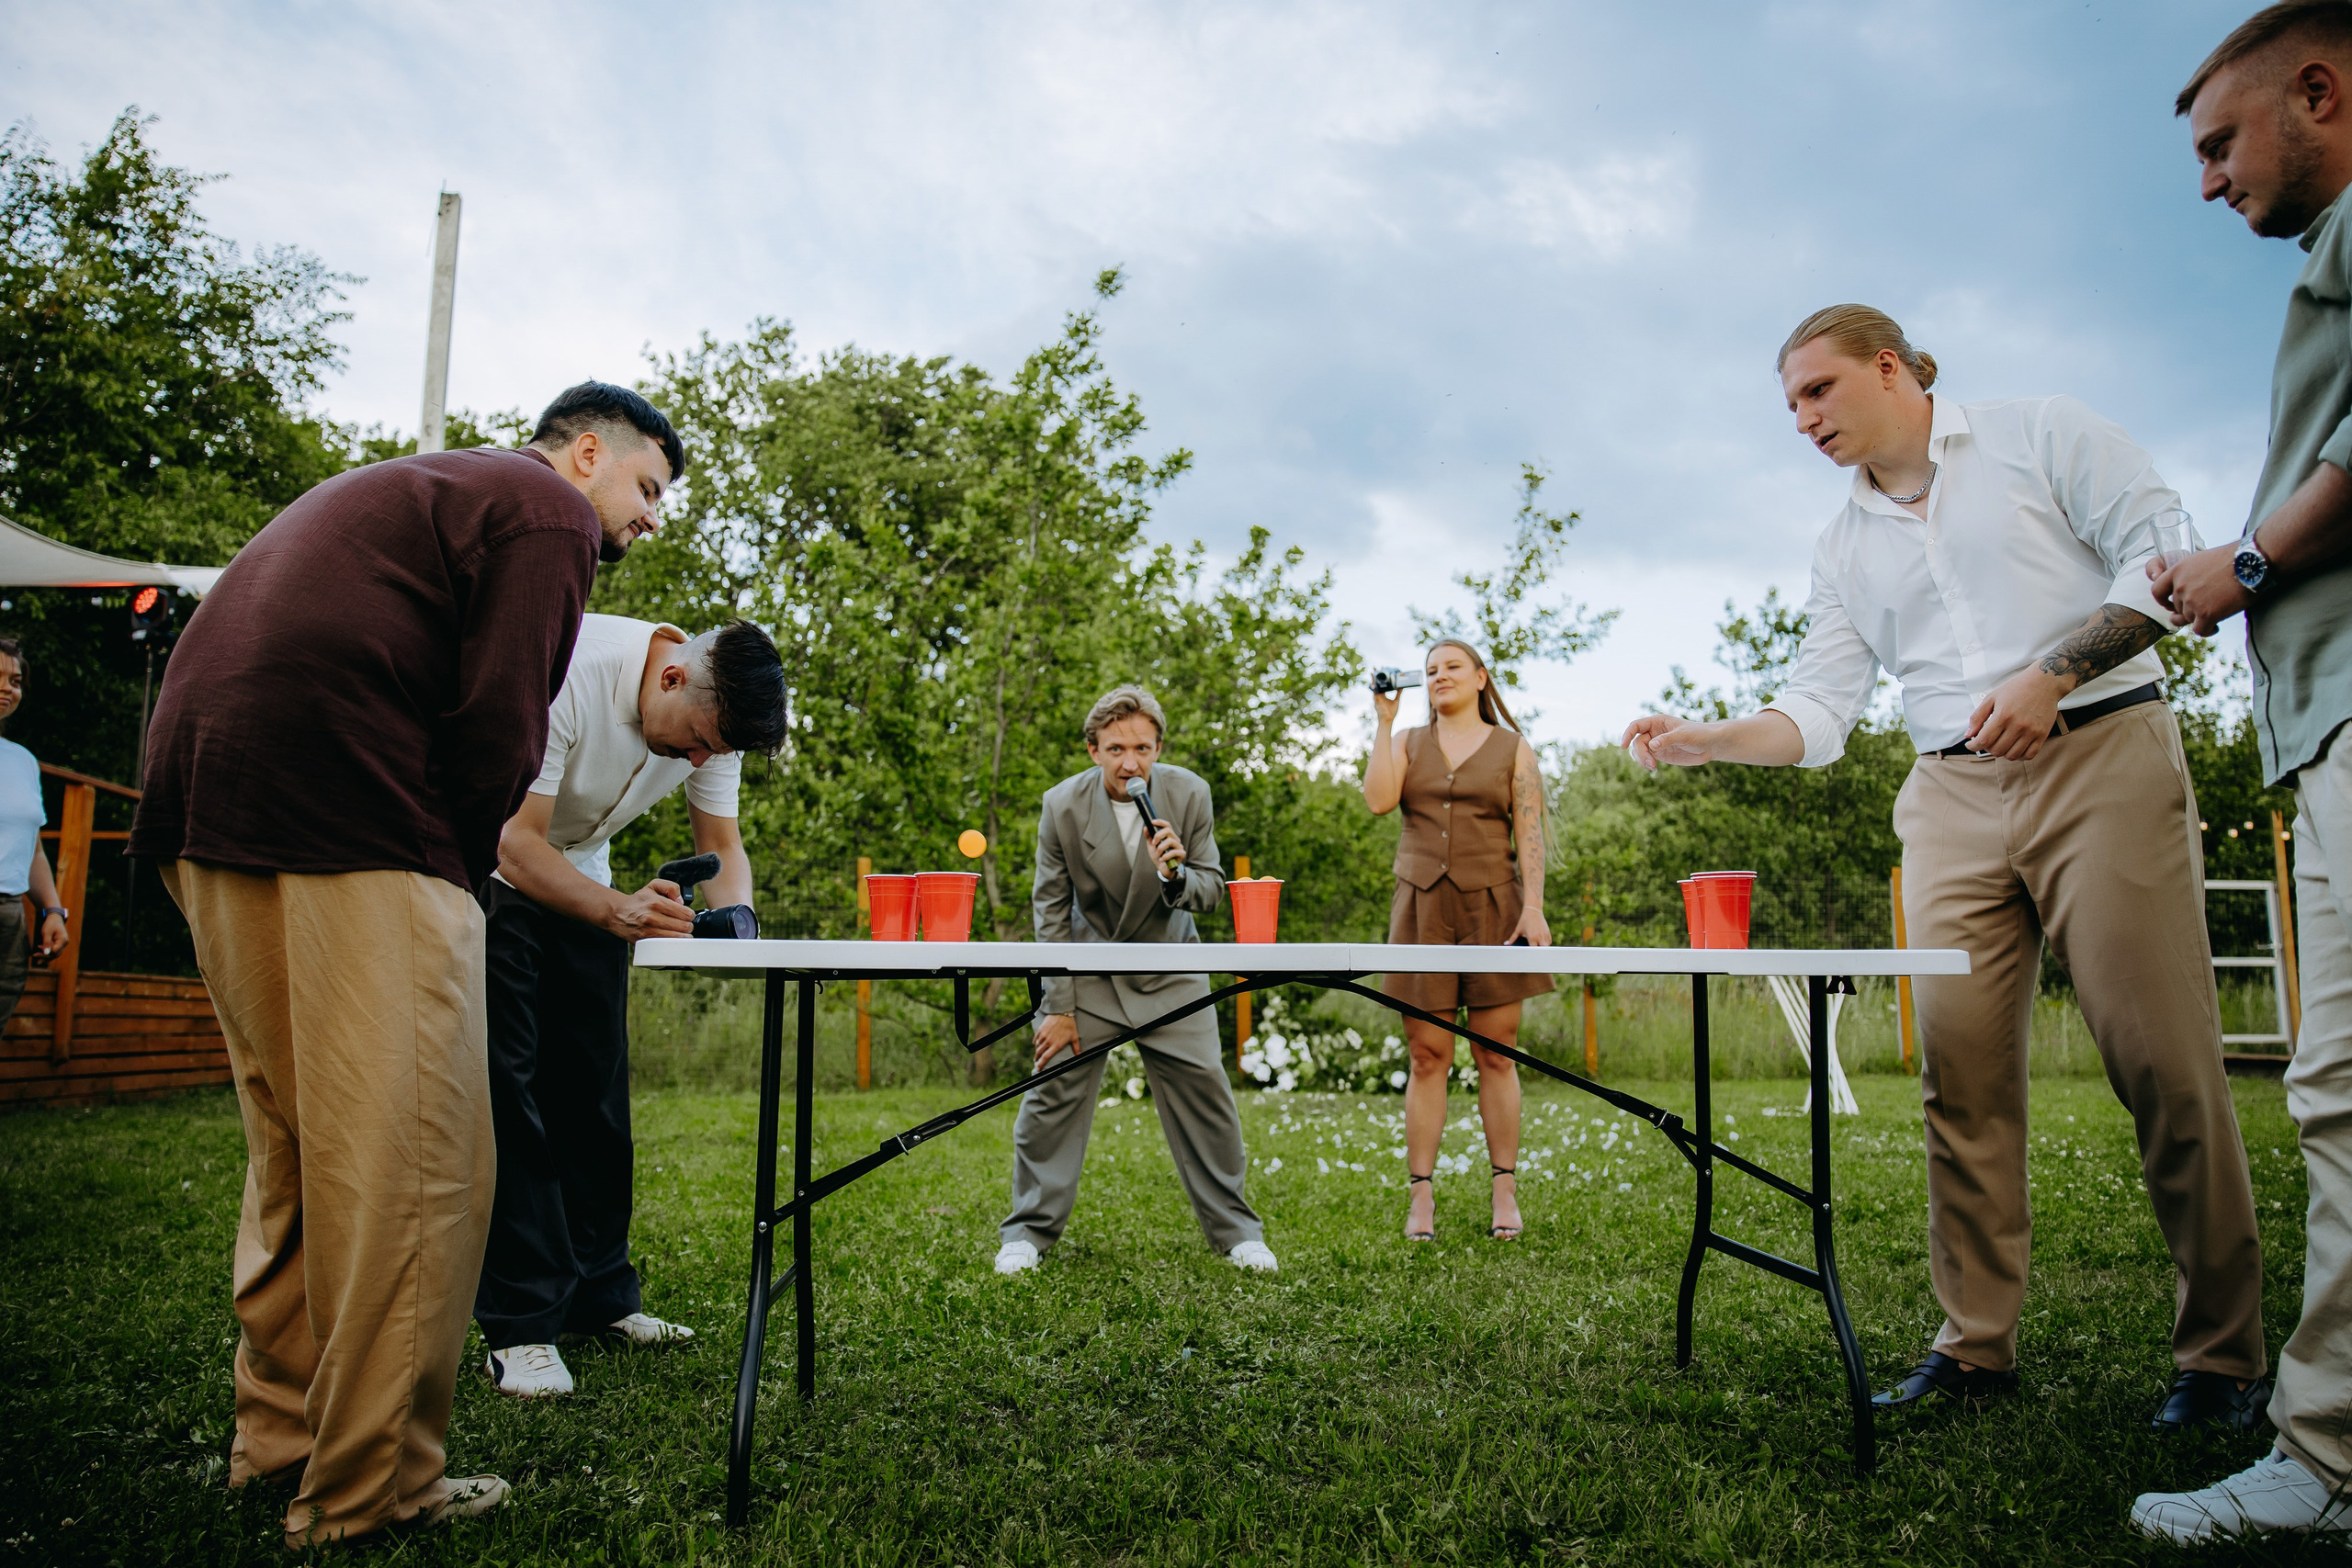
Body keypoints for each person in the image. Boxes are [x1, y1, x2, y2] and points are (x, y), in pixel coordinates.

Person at [1619, 307, 2267, 1436]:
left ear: (1888, 368)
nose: (1801, 419)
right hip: (1948, 797)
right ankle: (1974, 1349)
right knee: (1958, 1081)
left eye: (1816, 391)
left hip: (2100, 754)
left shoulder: (2042, 435)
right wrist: (1712, 735)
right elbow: (1821, 710)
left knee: (2162, 1063)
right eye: (1787, 405)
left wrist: (2049, 676)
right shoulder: (1842, 543)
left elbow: (2161, 561)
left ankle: (2221, 1359)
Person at [128, 382, 684, 1548]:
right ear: (586, 454)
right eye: (646, 488)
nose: (645, 521)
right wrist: (455, 868)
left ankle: (278, 1438)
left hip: (203, 798)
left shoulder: (423, 488)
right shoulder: (544, 513)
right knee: (421, 1160)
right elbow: (499, 724)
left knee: (296, 1142)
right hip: (353, 814)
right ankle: (372, 1486)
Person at [2135, 3, 2352, 1544]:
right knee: (2337, 1089)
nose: (2207, 185)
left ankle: (2327, 1458)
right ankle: (2331, 1449)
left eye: (2222, 143)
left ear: (2322, 90)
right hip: (2325, 714)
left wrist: (2250, 556)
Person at [476, 614, 786, 1398]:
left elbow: (724, 843)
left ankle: (601, 1299)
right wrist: (617, 911)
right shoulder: (568, 669)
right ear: (672, 676)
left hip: (584, 869)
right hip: (491, 871)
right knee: (514, 1095)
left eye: (712, 751)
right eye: (696, 745)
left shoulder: (708, 723)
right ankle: (522, 1328)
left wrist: (739, 924)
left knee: (596, 1094)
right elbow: (516, 843)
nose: (699, 761)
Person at [996, 684, 1276, 1275]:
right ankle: (1027, 1232)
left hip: (1172, 969)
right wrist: (1059, 1005)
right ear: (1093, 749)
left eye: (1143, 748)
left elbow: (1211, 890)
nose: (1131, 763)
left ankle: (1237, 1231)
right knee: (1050, 1092)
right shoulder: (1061, 806)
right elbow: (1050, 911)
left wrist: (1175, 876)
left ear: (1158, 748)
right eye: (1117, 748)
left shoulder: (1190, 793)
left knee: (1209, 1099)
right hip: (1090, 973)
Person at [1362, 639, 1551, 1242]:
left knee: (1497, 1051)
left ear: (1480, 677)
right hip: (1420, 909)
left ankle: (1504, 1188)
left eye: (1452, 666)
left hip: (1495, 906)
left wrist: (1536, 908)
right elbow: (1377, 799)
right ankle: (1421, 1197)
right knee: (1427, 1055)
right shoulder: (1406, 742)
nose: (1439, 675)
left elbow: (1530, 833)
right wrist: (1383, 722)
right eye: (1430, 670)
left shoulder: (1513, 749)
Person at [0, 638, 71, 1028]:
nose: (8, 688)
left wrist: (52, 910)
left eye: (15, 680)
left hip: (10, 915)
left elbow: (32, 851)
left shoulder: (22, 761)